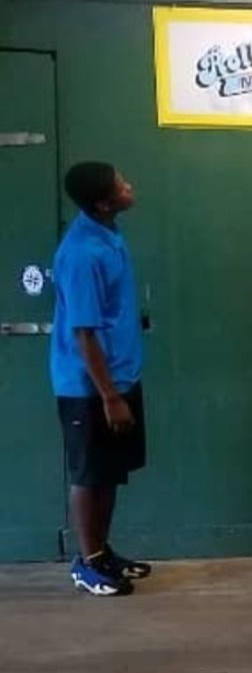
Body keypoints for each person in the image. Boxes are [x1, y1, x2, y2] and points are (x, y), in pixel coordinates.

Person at [51, 162, 152, 597]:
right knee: (90, 474)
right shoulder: (81, 253)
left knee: (109, 471)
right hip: (89, 387)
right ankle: (87, 563)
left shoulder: (108, 234)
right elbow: (84, 333)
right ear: (104, 202)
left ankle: (101, 552)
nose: (130, 186)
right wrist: (109, 396)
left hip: (119, 379)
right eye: (122, 184)